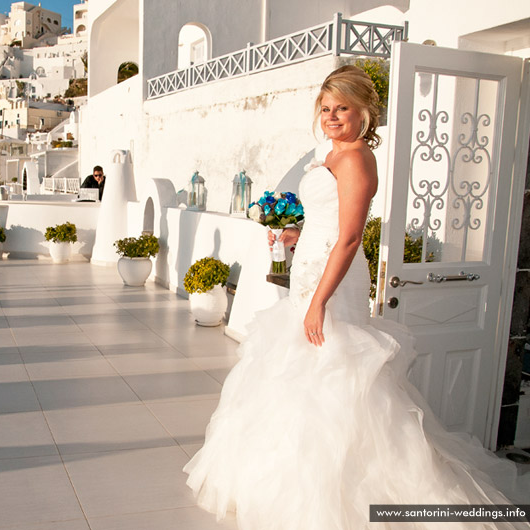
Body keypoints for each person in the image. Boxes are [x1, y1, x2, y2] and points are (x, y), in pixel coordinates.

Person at [183, 66, 529, 530]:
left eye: (341, 108)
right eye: (325, 108)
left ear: (363, 112)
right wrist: (294, 233)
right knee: (296, 375)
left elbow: (348, 239)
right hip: (311, 271)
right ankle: (286, 485)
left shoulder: (358, 158)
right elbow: (327, 222)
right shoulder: (333, 155)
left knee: (337, 373)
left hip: (334, 281)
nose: (332, 116)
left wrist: (319, 301)